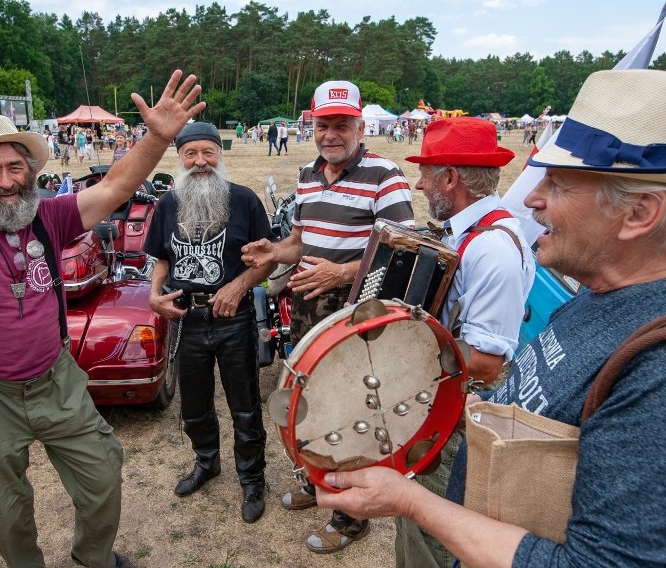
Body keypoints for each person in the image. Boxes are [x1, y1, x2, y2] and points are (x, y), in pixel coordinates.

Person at [0, 37, 205, 568]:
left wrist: (158, 138)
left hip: (57, 380)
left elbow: (116, 187)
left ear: (32, 172)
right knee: (2, 506)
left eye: (14, 168)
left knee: (102, 475)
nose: (5, 181)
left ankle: (93, 557)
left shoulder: (51, 216)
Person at [316, 68, 666, 568]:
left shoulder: (652, 366)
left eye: (561, 185)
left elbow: (485, 359)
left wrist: (398, 346)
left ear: (638, 213)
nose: (532, 198)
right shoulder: (597, 299)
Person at [241, 79, 415, 554]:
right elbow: (299, 242)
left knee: (353, 412)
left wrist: (340, 273)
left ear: (360, 125)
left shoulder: (386, 175)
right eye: (324, 124)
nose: (332, 133)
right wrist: (273, 251)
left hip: (356, 314)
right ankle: (319, 482)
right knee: (307, 402)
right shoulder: (305, 174)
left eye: (342, 124)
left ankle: (351, 515)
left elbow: (405, 255)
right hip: (306, 308)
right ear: (311, 125)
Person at [393, 116, 535, 567]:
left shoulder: (493, 248)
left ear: (451, 179)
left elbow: (488, 364)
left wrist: (403, 345)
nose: (418, 185)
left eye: (425, 175)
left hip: (460, 413)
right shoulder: (467, 235)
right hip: (443, 398)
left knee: (431, 529)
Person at [144, 122, 274, 524]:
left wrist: (238, 286)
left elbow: (267, 258)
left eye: (207, 153)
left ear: (220, 154)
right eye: (191, 154)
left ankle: (253, 480)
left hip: (233, 318)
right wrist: (153, 294)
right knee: (195, 404)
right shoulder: (168, 204)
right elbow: (162, 257)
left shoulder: (246, 200)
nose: (200, 162)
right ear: (180, 159)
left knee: (245, 406)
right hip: (188, 317)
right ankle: (207, 462)